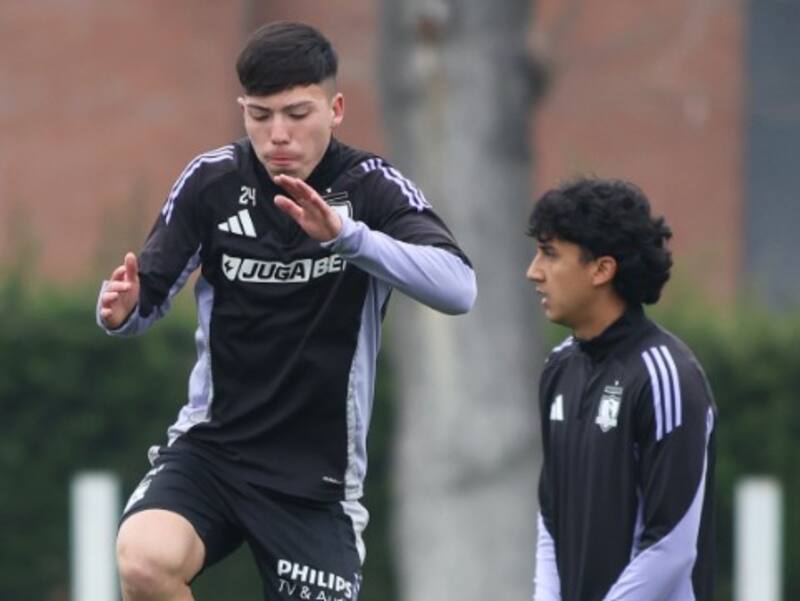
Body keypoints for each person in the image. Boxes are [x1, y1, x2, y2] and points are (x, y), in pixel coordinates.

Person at [97, 21, 476, 601]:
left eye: (297, 115)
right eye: (259, 114)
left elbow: (459, 288)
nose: (277, 135)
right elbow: (147, 296)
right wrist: (122, 310)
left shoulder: (371, 188)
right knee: (144, 561)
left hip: (315, 482)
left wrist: (347, 237)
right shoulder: (212, 182)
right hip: (214, 452)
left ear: (336, 108)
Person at [525, 178, 716, 601]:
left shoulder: (666, 376)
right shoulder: (559, 367)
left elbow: (671, 547)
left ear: (602, 269)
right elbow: (550, 518)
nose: (533, 271)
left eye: (550, 254)